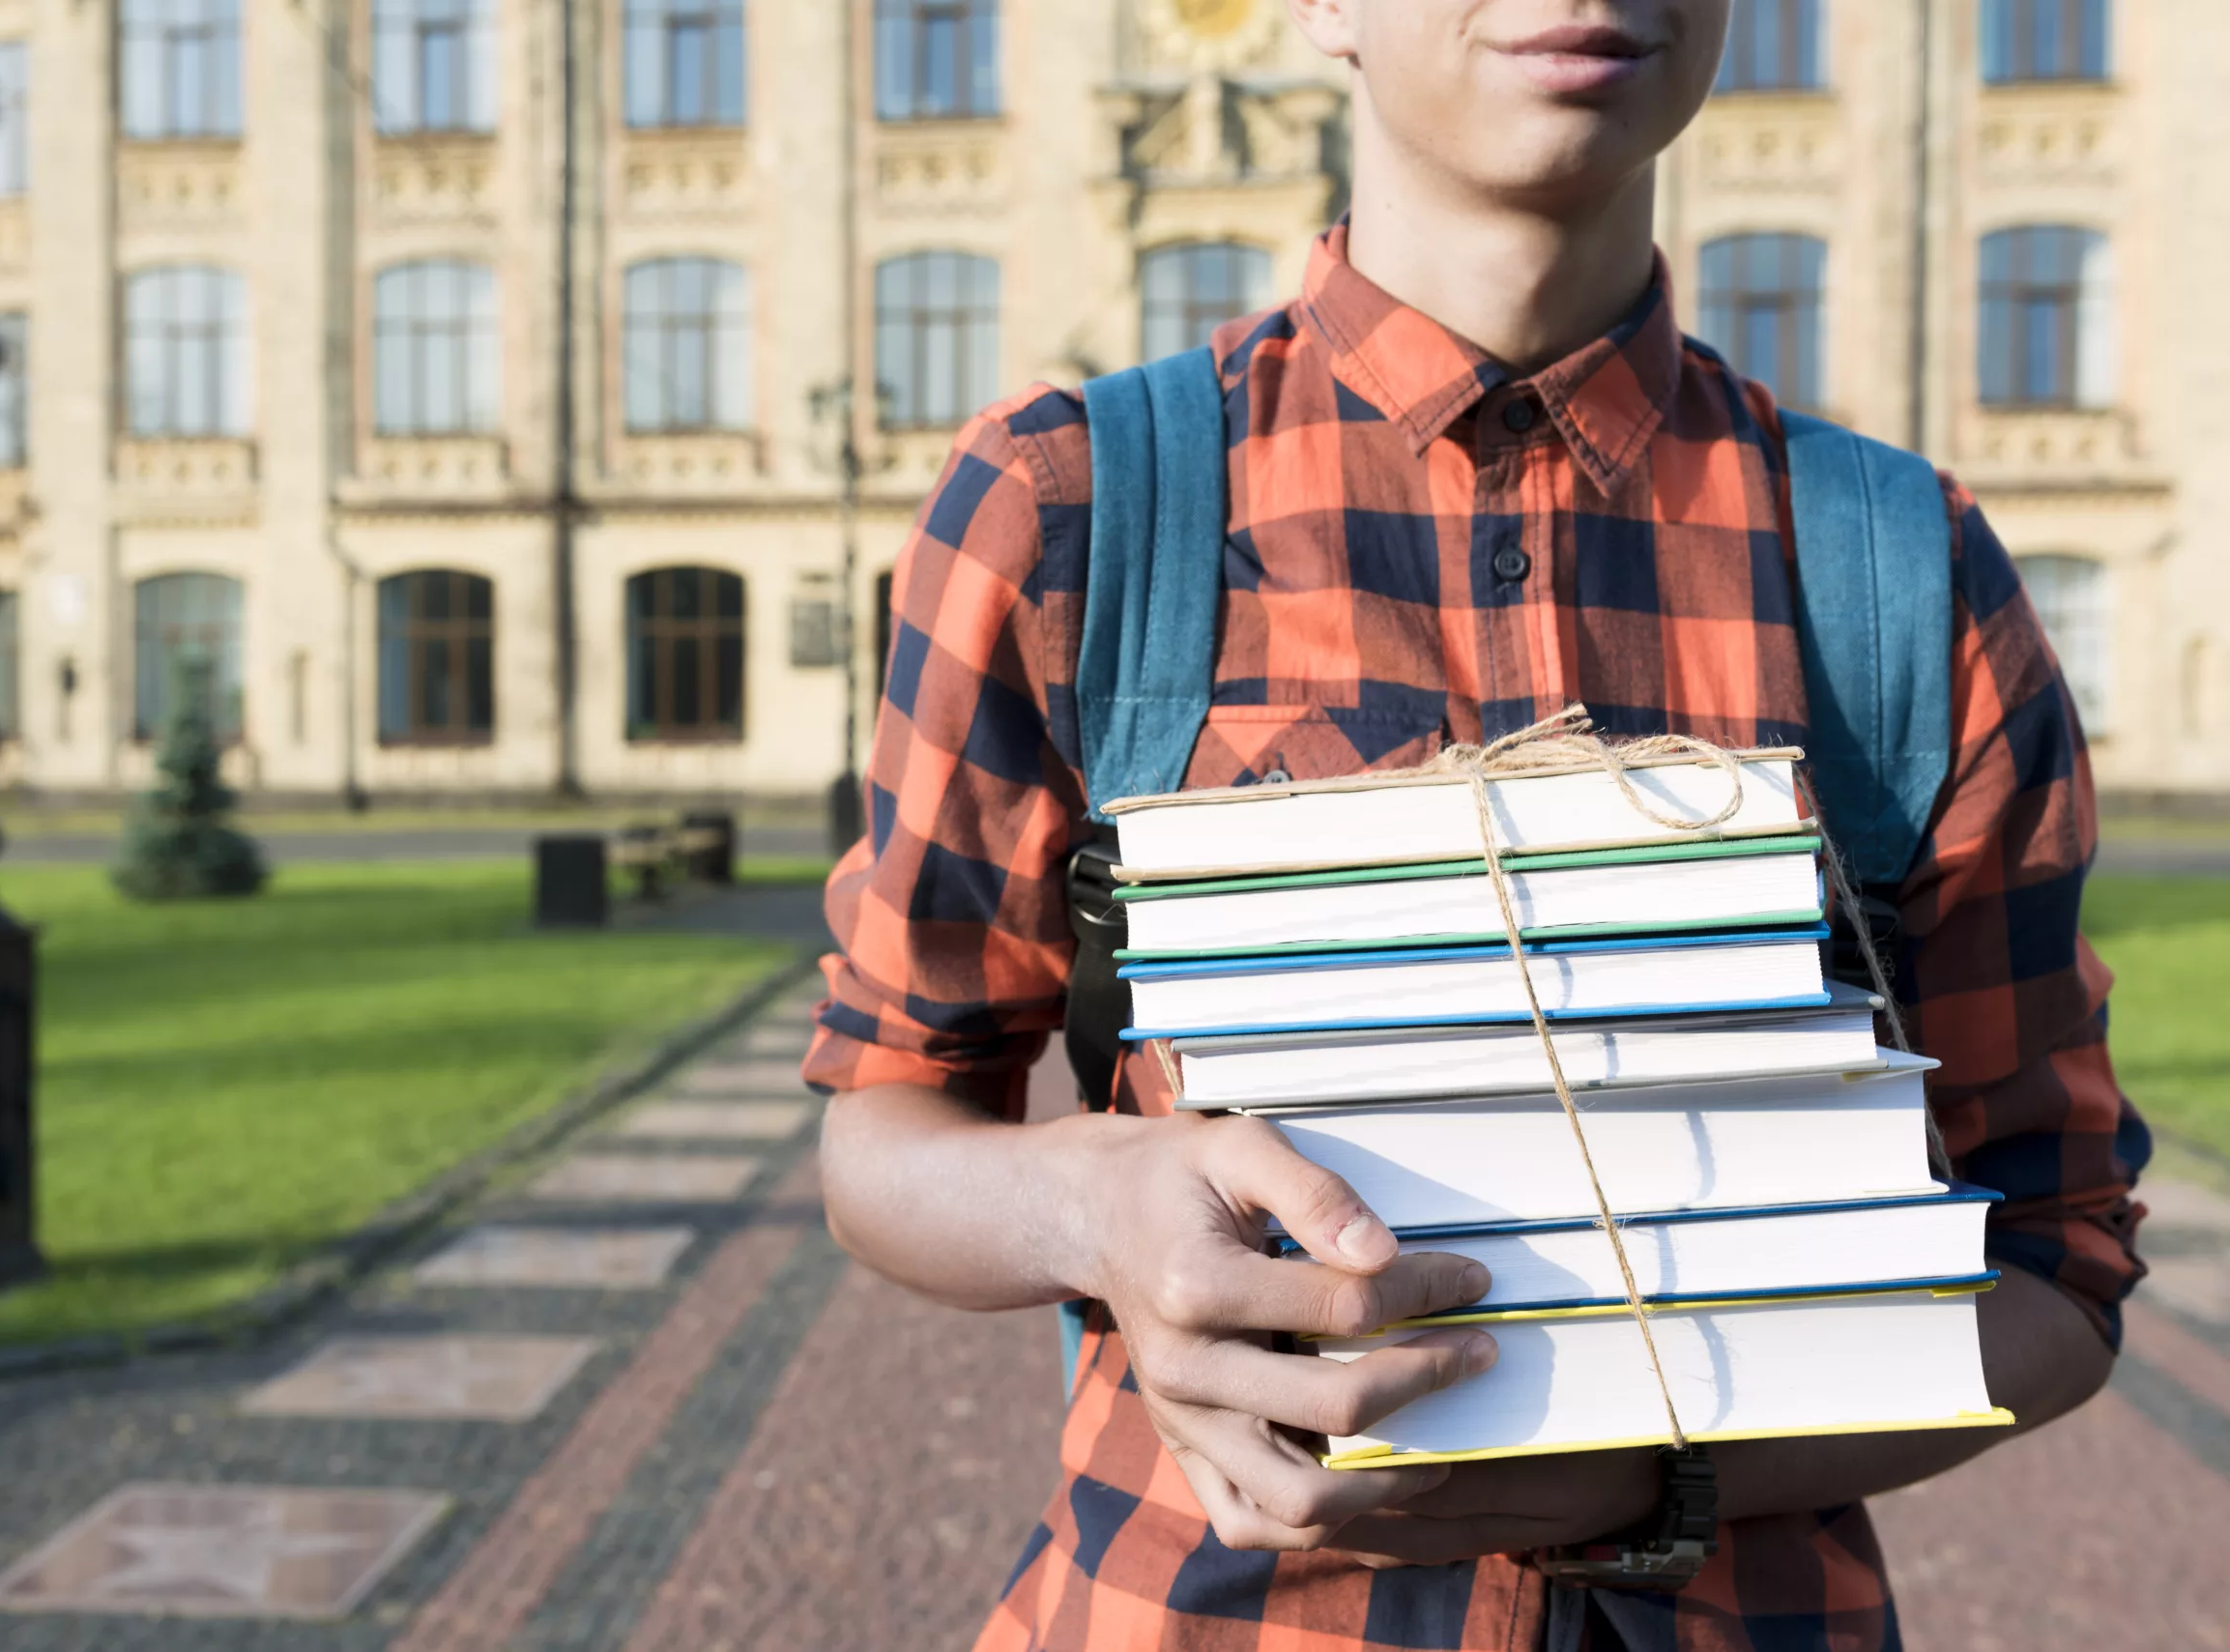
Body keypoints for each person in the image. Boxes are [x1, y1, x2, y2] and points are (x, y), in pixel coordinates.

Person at [801, 0, 2149, 1645]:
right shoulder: (1077, 512)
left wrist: (1662, 1471)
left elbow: (2058, 1265)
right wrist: (1097, 1204)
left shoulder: (1897, 573)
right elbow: (887, 1131)